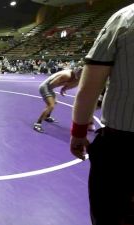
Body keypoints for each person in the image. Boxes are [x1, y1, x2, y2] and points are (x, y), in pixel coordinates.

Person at [70, 4, 134, 225]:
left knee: (111, 215)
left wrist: (79, 131)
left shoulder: (124, 19)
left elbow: (89, 87)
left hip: (123, 147)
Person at [33, 68, 83, 133]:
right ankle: (37, 124)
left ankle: (47, 117)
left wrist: (64, 88)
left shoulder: (76, 77)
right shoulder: (66, 75)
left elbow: (73, 84)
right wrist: (64, 84)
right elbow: (51, 84)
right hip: (45, 86)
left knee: (54, 102)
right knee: (51, 105)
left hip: (49, 87)